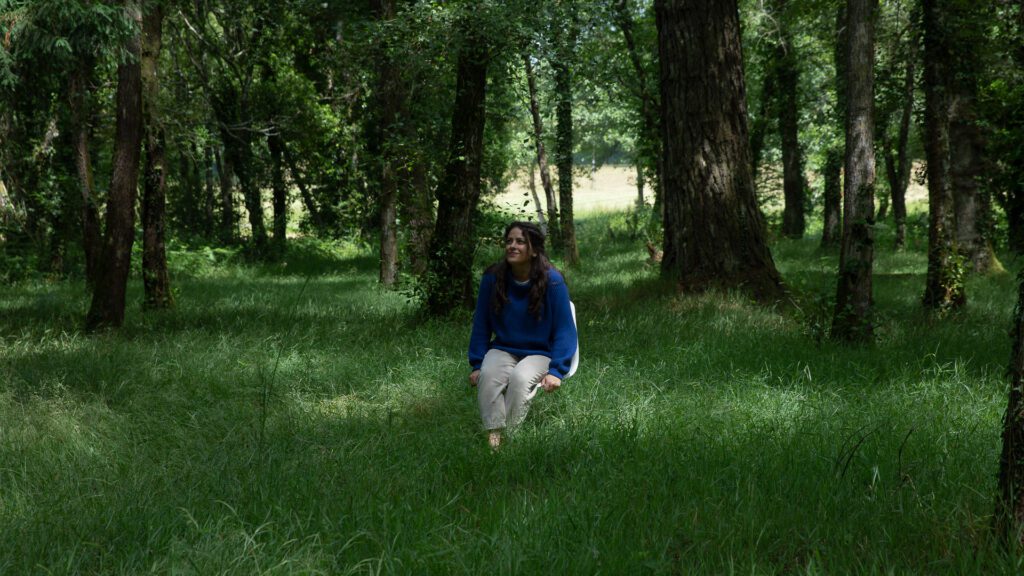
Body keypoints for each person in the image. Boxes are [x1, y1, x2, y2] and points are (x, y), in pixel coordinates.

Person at [468, 221, 577, 449]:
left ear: (534, 249)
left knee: (520, 378)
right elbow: (481, 324)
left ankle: (511, 437)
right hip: (504, 347)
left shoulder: (553, 281)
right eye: (509, 241)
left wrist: (557, 370)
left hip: (540, 352)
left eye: (520, 241)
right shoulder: (492, 279)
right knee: (489, 375)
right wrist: (477, 363)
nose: (512, 246)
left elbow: (565, 330)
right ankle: (494, 438)